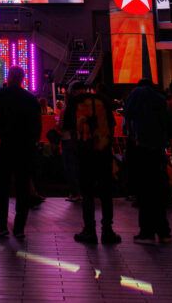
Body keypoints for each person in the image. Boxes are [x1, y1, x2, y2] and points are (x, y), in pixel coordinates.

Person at [63, 83, 121, 244]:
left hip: (85, 153)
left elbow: (70, 130)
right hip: (103, 152)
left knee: (87, 194)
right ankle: (107, 230)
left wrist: (78, 150)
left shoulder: (74, 103)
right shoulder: (103, 100)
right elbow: (111, 126)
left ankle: (90, 230)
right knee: (106, 194)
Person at [0, 66, 41, 238]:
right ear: (23, 78)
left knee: (2, 188)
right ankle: (19, 228)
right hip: (25, 148)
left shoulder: (2, 95)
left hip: (7, 146)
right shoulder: (32, 99)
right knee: (23, 188)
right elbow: (38, 126)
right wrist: (33, 143)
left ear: (9, 77)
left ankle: (1, 226)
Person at [123, 79, 172, 244]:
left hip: (142, 147)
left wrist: (132, 134)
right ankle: (164, 232)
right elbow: (170, 124)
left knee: (144, 191)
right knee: (159, 189)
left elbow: (127, 117)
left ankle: (147, 232)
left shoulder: (136, 95)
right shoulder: (160, 99)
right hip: (158, 149)